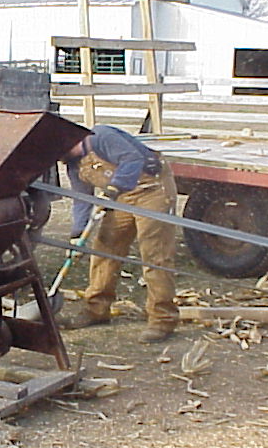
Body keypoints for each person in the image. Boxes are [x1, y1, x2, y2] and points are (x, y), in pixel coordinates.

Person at [61, 125, 179, 343]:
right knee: (105, 248)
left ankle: (162, 319)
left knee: (155, 254)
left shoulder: (101, 137)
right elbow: (82, 199)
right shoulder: (73, 165)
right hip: (121, 197)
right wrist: (78, 232)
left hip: (151, 189)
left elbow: (132, 159)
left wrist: (115, 187)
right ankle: (97, 309)